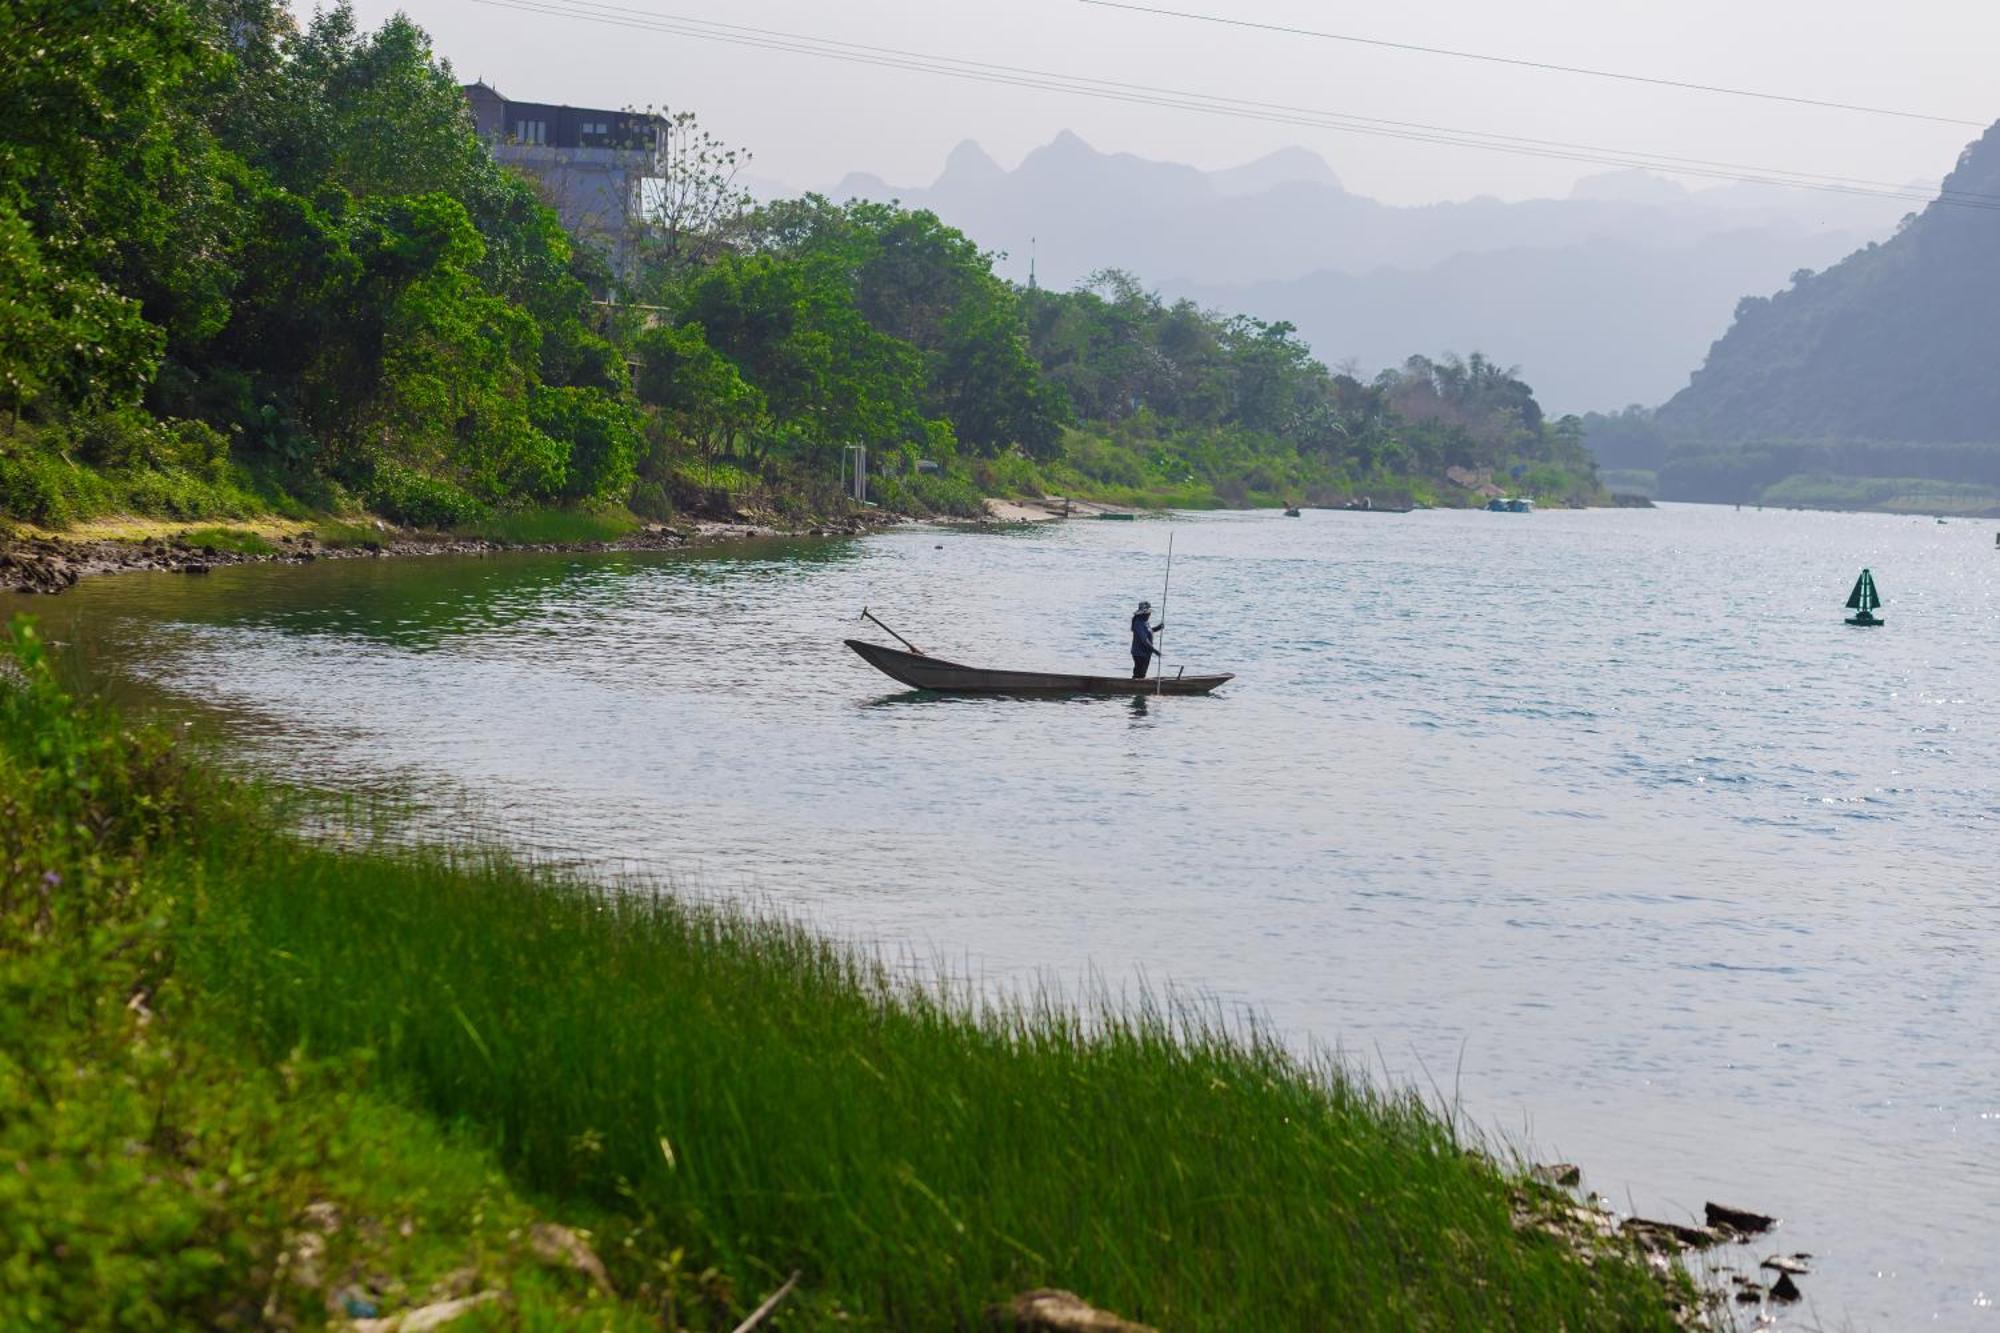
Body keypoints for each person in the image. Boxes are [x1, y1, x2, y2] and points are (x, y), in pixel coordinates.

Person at [1130, 600, 1163, 678]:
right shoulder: (1138, 623)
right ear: (1143, 614)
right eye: (1148, 613)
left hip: (1146, 653)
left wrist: (1158, 628)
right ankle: (1136, 687)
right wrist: (1155, 651)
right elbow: (1144, 640)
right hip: (1139, 653)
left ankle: (1138, 686)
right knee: (1139, 674)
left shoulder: (1145, 622)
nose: (1150, 614)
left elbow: (1149, 631)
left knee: (1142, 674)